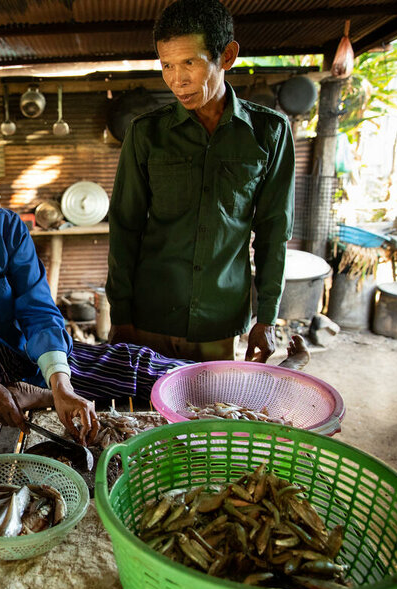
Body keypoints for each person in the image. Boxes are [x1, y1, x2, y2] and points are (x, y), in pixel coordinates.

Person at [0, 122, 307, 459]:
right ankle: (33, 398)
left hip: (19, 356)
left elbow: (38, 311)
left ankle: (264, 388)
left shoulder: (6, 227)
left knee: (138, 364)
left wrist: (59, 382)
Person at [106, 0, 295, 363]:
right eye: (167, 65)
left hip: (219, 320)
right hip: (151, 316)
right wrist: (122, 314)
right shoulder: (146, 134)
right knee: (147, 418)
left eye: (189, 63)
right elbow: (125, 228)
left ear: (226, 56)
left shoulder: (269, 133)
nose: (177, 79)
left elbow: (274, 232)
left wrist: (267, 317)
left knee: (210, 415)